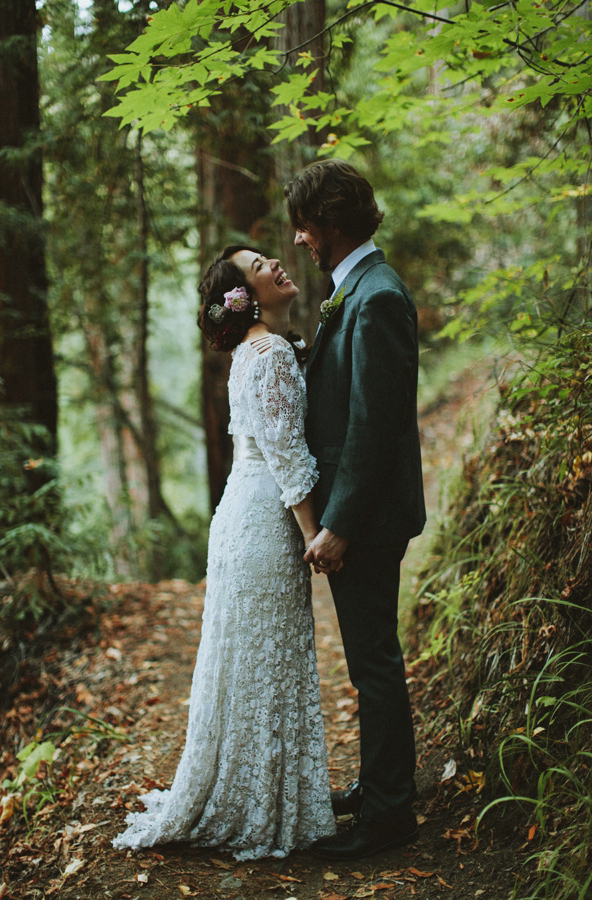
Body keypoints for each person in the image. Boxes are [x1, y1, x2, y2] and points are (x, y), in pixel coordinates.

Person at [112, 245, 336, 860]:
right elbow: (288, 454)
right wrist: (315, 532)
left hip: (242, 516)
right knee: (265, 664)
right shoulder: (269, 355)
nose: (276, 266)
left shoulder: (250, 352)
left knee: (254, 665)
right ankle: (263, 802)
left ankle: (263, 791)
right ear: (244, 296)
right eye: (262, 264)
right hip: (264, 523)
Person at [285, 160, 427, 861]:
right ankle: (379, 789)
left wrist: (337, 522)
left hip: (365, 517)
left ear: (330, 223)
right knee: (371, 661)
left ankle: (390, 816)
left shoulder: (377, 298)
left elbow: (375, 424)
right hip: (359, 511)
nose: (299, 240)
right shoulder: (358, 290)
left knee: (374, 663)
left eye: (305, 226)